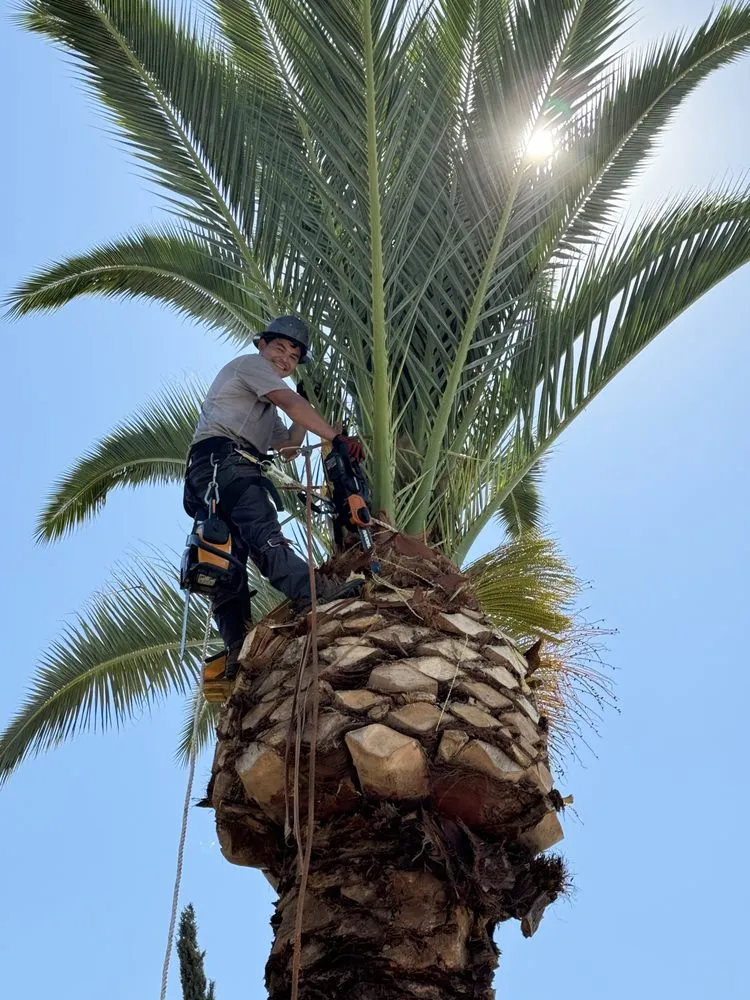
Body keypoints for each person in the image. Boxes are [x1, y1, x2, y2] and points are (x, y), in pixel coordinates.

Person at [183, 316, 365, 676]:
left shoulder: (264, 400)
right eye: (279, 348)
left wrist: (306, 406)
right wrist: (335, 437)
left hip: (210, 474)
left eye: (293, 357)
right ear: (261, 345)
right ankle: (314, 593)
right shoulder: (250, 366)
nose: (284, 359)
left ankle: (235, 649)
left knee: (227, 562)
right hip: (225, 464)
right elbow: (289, 403)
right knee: (265, 535)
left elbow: (287, 446)